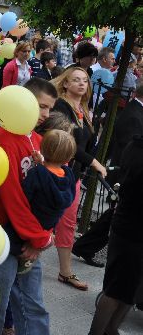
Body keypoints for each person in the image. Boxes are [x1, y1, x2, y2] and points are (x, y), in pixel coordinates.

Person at [0, 77, 59, 335]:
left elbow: (50, 195)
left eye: (50, 108)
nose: (45, 114)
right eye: (41, 106)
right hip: (2, 236)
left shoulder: (38, 141)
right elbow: (11, 198)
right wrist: (38, 238)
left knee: (33, 306)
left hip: (30, 237)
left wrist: (42, 236)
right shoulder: (3, 139)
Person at [73, 83, 143, 266]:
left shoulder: (136, 111)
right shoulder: (134, 114)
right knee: (115, 217)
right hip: (127, 176)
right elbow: (131, 149)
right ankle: (85, 246)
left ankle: (84, 246)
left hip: (129, 175)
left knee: (112, 216)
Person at [51, 67, 106, 290]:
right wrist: (94, 163)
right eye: (76, 80)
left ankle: (65, 272)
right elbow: (68, 143)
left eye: (85, 80)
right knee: (50, 217)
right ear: (65, 84)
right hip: (57, 170)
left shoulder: (82, 108)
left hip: (71, 174)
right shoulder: (61, 106)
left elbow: (87, 143)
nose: (82, 84)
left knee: (67, 222)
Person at [88, 136, 143, 335]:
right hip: (131, 232)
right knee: (116, 289)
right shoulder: (137, 147)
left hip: (131, 230)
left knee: (131, 291)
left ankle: (111, 330)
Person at [5, 129, 76, 274]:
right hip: (50, 222)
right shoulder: (68, 175)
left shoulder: (37, 173)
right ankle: (28, 260)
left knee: (13, 240)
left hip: (33, 218)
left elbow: (25, 194)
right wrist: (41, 163)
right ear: (68, 158)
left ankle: (20, 262)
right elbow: (52, 175)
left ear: (42, 148)